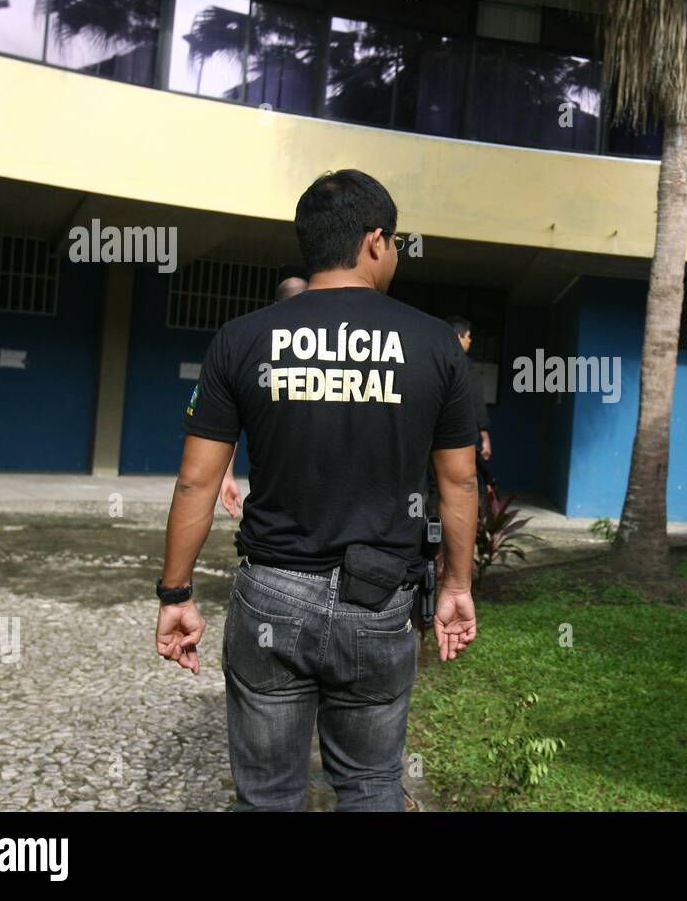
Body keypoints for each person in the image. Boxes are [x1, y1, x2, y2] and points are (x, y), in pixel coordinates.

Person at [154, 169, 480, 812]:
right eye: (395, 244)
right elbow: (460, 480)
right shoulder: (436, 344)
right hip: (380, 601)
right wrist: (458, 587)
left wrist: (176, 593)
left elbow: (195, 478)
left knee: (268, 795)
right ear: (376, 241)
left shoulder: (242, 338)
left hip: (271, 595)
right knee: (370, 784)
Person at [219, 269, 308, 517]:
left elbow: (227, 425)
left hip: (268, 499)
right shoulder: (328, 349)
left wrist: (226, 476)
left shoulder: (248, 349)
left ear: (275, 305)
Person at [444, 315, 495, 491]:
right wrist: (485, 436)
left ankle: (433, 518)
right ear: (458, 337)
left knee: (436, 484)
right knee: (463, 484)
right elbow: (476, 400)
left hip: (432, 436)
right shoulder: (465, 365)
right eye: (468, 336)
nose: (470, 340)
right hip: (459, 436)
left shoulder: (434, 361)